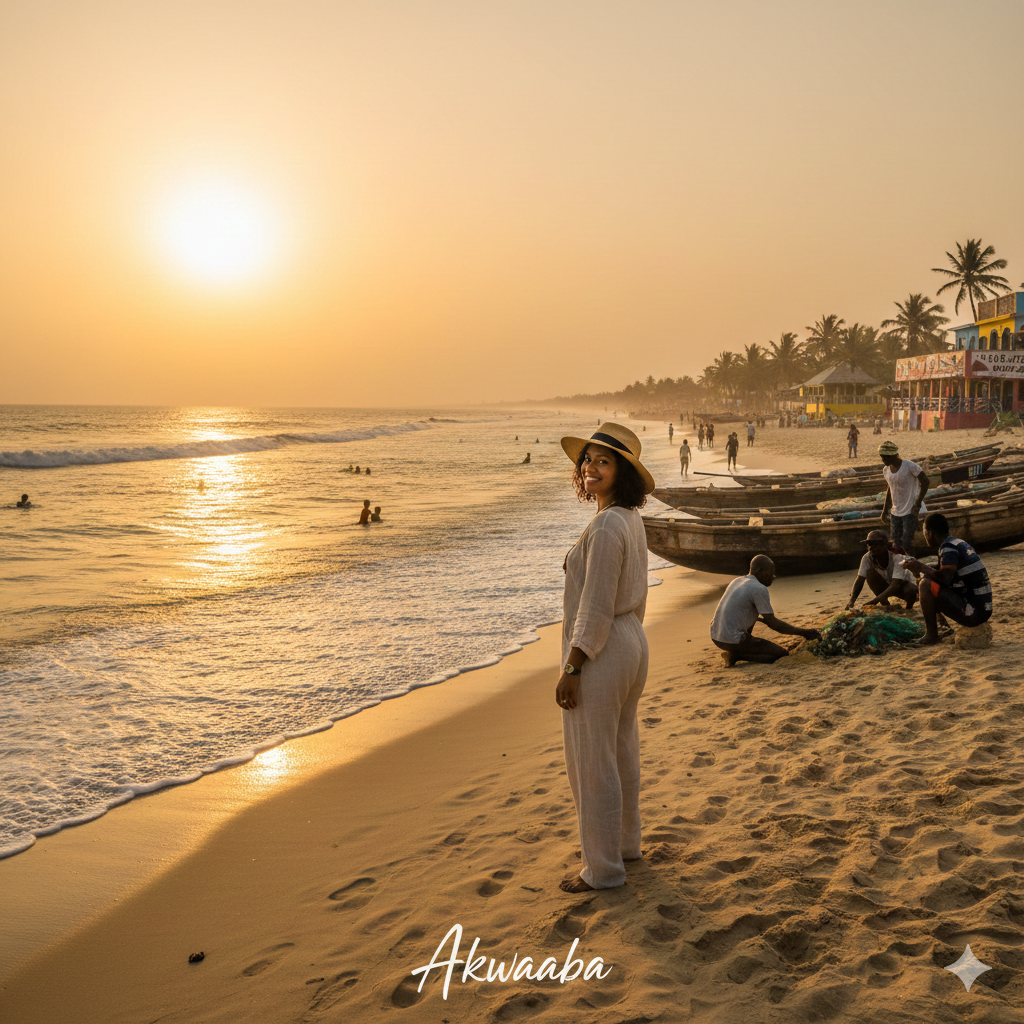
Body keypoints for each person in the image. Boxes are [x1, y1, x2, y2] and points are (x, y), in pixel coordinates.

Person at [555, 422, 655, 893]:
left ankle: (602, 870)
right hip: (630, 639)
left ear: (623, 473)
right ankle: (626, 847)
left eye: (604, 461)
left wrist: (574, 666)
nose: (591, 467)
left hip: (604, 647)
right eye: (588, 460)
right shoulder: (629, 520)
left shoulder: (608, 524)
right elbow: (633, 597)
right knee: (621, 751)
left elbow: (595, 605)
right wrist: (627, 641)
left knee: (594, 762)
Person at [710, 555, 820, 666]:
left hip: (716, 636)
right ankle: (737, 655)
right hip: (732, 640)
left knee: (751, 615)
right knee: (781, 655)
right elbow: (774, 624)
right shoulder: (759, 589)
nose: (773, 577)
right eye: (770, 573)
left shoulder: (737, 580)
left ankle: (739, 649)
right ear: (759, 571)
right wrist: (804, 632)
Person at [900, 513, 993, 644]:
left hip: (974, 613)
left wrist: (920, 566)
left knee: (925, 585)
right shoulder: (956, 542)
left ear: (930, 532)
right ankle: (941, 624)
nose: (924, 534)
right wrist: (918, 568)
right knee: (927, 578)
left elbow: (944, 578)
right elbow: (939, 571)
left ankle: (932, 636)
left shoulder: (948, 548)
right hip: (983, 609)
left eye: (924, 531)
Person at [879, 441, 930, 555]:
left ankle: (913, 567)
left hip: (910, 510)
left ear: (892, 455)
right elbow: (890, 489)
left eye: (884, 457)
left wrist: (918, 504)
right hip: (895, 512)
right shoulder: (886, 470)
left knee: (907, 543)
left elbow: (926, 482)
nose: (882, 460)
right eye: (881, 457)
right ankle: (901, 568)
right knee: (896, 544)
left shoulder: (910, 466)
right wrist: (884, 510)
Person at [846, 530, 917, 610]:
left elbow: (895, 584)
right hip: (887, 585)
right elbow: (860, 580)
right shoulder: (867, 557)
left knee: (910, 590)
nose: (871, 548)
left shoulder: (897, 557)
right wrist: (851, 601)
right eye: (869, 544)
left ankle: (909, 608)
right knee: (869, 574)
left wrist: (874, 601)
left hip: (903, 586)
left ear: (885, 545)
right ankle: (886, 605)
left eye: (875, 544)